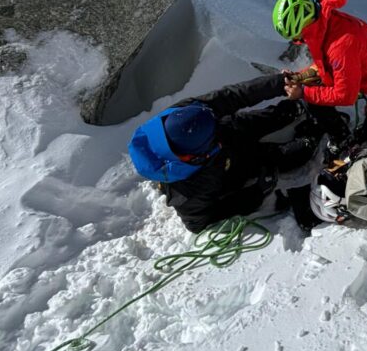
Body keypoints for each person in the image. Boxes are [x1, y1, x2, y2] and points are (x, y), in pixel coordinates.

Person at [128, 73, 323, 233]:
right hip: (230, 169)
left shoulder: (185, 114)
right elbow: (200, 222)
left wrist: (279, 83)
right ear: (197, 155)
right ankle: (312, 136)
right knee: (296, 153)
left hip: (226, 137)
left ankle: (294, 109)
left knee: (258, 119)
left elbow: (231, 96)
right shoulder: (187, 192)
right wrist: (256, 193)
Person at [272, 0, 367, 147]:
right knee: (311, 90)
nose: (299, 41)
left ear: (304, 27)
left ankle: (346, 138)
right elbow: (326, 65)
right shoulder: (324, 22)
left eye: (299, 37)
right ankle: (341, 136)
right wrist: (299, 77)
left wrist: (303, 92)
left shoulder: (341, 44)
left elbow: (345, 95)